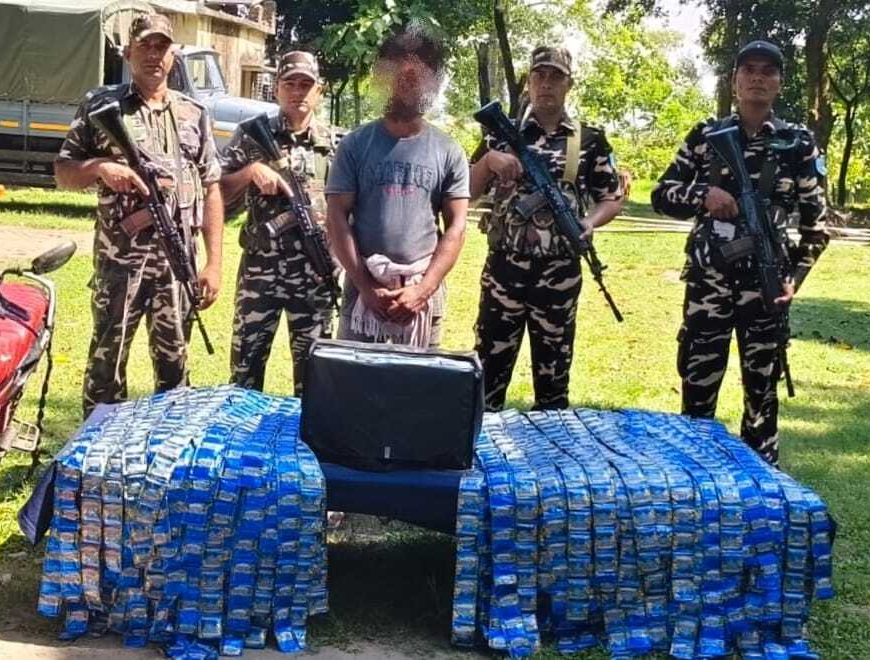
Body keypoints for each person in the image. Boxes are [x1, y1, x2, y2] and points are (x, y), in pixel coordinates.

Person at [651, 40, 829, 464]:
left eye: (768, 71)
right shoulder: (705, 136)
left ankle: (762, 482)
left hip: (765, 289)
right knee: (697, 389)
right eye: (749, 70)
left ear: (779, 83)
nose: (758, 78)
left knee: (762, 395)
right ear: (734, 81)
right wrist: (703, 194)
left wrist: (793, 281)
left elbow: (816, 227)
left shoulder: (797, 143)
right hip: (708, 286)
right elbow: (661, 194)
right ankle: (696, 476)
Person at [53, 14, 224, 417]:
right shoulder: (100, 106)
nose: (153, 55)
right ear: (128, 52)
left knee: (175, 366)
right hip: (120, 263)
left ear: (173, 55)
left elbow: (212, 186)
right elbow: (63, 173)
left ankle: (168, 441)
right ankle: (99, 441)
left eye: (162, 47)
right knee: (107, 363)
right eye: (145, 46)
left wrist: (214, 263)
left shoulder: (193, 113)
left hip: (176, 264)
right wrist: (100, 168)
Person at [470, 46, 624, 411]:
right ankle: (478, 443)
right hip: (504, 271)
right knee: (486, 378)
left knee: (553, 382)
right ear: (529, 82)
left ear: (569, 84)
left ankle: (550, 444)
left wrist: (589, 222)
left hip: (558, 275)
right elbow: (466, 191)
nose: (546, 84)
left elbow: (612, 197)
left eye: (556, 77)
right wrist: (489, 161)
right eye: (539, 75)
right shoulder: (500, 135)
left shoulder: (589, 139)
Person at [325, 24, 470, 348]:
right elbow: (336, 218)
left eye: (420, 68)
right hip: (363, 298)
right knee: (355, 377)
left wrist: (423, 290)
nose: (408, 73)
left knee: (418, 380)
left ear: (433, 81)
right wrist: (366, 286)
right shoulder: (354, 145)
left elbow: (457, 228)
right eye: (398, 65)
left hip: (423, 300)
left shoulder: (448, 151)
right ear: (383, 76)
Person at [220, 51, 338, 395]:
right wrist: (251, 172)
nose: (298, 92)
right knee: (244, 375)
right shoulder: (251, 135)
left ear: (319, 91)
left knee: (316, 380)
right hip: (261, 274)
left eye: (306, 85)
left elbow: (348, 209)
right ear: (276, 89)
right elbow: (218, 192)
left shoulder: (334, 144)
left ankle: (308, 431)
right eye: (290, 84)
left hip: (315, 276)